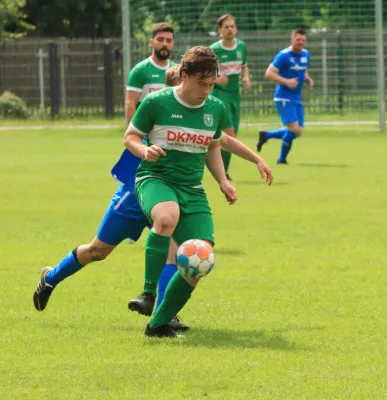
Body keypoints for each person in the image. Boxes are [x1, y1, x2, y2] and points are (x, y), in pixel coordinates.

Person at [32, 23, 188, 332]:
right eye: (161, 38)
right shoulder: (145, 79)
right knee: (97, 251)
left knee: (173, 245)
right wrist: (140, 142)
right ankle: (51, 277)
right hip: (137, 188)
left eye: (170, 39)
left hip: (168, 190)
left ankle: (164, 311)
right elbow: (131, 108)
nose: (166, 43)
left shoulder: (187, 108)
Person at [123, 46, 273, 338]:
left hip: (192, 189)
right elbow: (129, 136)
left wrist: (225, 179)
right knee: (166, 218)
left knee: (200, 258)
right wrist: (144, 149)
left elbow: (215, 144)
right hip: (156, 178)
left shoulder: (215, 108)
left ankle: (158, 324)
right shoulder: (156, 102)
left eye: (211, 84)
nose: (206, 90)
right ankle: (148, 293)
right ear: (184, 75)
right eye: (201, 83)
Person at [256, 28, 313, 164]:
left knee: (297, 132)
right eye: (298, 39)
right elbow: (269, 73)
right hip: (283, 97)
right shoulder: (283, 55)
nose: (300, 42)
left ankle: (268, 137)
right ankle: (281, 158)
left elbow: (302, 70)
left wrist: (307, 79)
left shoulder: (306, 54)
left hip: (296, 97)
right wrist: (287, 82)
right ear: (292, 39)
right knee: (294, 129)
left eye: (303, 40)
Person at [209, 14, 250, 181]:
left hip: (235, 95)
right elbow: (206, 74)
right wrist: (217, 79)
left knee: (231, 136)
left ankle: (221, 168)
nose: (230, 29)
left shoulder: (241, 46)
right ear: (220, 30)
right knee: (230, 135)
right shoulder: (214, 50)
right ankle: (222, 173)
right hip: (219, 94)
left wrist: (246, 78)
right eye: (226, 27)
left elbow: (244, 66)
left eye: (232, 26)